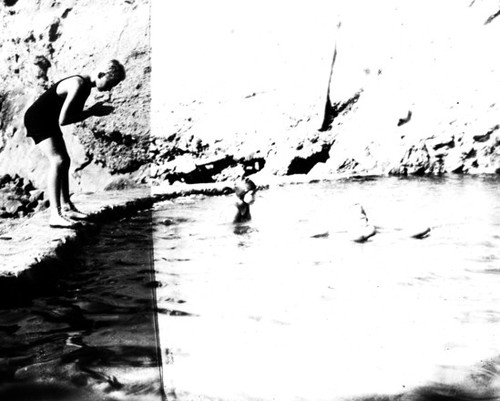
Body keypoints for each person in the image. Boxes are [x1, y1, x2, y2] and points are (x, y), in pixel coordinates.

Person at [24, 60, 126, 228]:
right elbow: (65, 120)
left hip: (47, 119)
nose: (110, 88)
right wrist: (92, 111)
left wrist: (90, 111)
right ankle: (55, 215)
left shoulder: (85, 85)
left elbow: (70, 114)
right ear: (101, 75)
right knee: (58, 161)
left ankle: (66, 207)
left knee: (65, 160)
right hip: (38, 119)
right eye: (110, 83)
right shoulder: (78, 84)